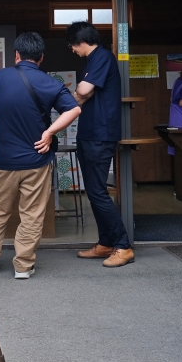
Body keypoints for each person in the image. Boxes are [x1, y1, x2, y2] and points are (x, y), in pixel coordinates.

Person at [0, 33, 80, 279]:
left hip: (5, 162)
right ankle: (23, 266)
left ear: (17, 55)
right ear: (41, 58)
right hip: (37, 160)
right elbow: (74, 109)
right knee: (32, 214)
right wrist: (49, 133)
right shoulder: (50, 83)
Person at [67, 22, 134, 268]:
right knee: (93, 190)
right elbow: (82, 96)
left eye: (72, 45)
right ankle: (106, 243)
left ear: (81, 41)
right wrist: (80, 95)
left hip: (100, 134)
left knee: (97, 191)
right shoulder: (93, 60)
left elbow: (84, 90)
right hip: (89, 133)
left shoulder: (103, 57)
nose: (72, 50)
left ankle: (123, 246)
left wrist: (80, 93)